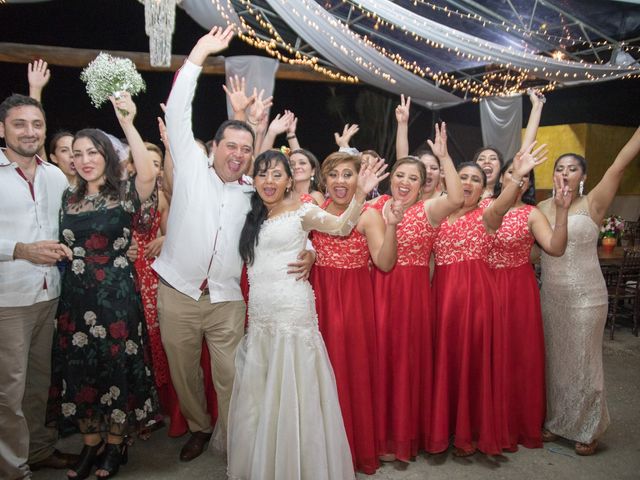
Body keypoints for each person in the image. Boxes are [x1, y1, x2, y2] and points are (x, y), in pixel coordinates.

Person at [152, 26, 314, 462]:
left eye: (247, 148)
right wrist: (198, 56)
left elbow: (294, 219)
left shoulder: (253, 191)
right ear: (214, 147)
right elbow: (180, 111)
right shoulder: (190, 169)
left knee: (231, 374)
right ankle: (200, 427)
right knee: (185, 373)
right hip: (178, 293)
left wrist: (311, 251)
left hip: (226, 300)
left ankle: (236, 436)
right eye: (232, 145)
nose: (239, 154)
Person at [228, 149, 386, 480]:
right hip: (261, 314)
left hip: (292, 311)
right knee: (262, 390)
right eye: (262, 174)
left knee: (295, 389)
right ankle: (265, 462)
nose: (268, 181)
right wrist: (311, 253)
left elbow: (342, 228)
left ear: (290, 181)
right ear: (253, 179)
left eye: (276, 174)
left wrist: (360, 194)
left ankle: (299, 464)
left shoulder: (304, 210)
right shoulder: (254, 214)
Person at [46, 94, 160, 480]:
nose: (85, 159)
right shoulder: (66, 197)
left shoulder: (123, 193)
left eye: (93, 151)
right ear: (71, 160)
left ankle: (115, 445)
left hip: (116, 300)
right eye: (77, 153)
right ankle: (90, 445)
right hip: (75, 299)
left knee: (116, 371)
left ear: (107, 156)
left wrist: (128, 122)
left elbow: (148, 175)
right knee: (81, 372)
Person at [427, 144, 547, 457]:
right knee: (446, 362)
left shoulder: (488, 215)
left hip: (476, 301)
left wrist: (517, 178)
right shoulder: (437, 216)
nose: (467, 182)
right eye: (462, 176)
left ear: (483, 188)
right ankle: (448, 427)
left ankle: (472, 432)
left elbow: (505, 203)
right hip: (442, 300)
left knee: (473, 364)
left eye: (474, 179)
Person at [537, 126, 640, 455]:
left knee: (584, 361)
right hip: (551, 295)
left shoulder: (593, 201)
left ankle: (588, 427)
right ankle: (557, 420)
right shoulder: (540, 208)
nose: (565, 173)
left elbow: (619, 165)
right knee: (555, 359)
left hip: (586, 297)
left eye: (572, 168)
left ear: (583, 175)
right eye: (559, 168)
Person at [369, 123, 463, 462]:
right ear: (390, 178)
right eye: (400, 176)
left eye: (413, 178)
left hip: (414, 296)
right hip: (379, 292)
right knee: (382, 362)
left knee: (409, 364)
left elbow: (456, 197)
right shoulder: (376, 206)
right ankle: (381, 436)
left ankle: (407, 436)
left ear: (423, 183)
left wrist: (444, 156)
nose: (405, 182)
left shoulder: (428, 209)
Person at [309, 151, 401, 474]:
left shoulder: (368, 216)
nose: (340, 181)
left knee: (352, 374)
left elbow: (385, 263)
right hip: (318, 303)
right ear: (324, 180)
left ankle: (352, 450)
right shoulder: (314, 213)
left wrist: (391, 228)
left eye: (347, 174)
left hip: (354, 307)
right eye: (333, 175)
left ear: (358, 178)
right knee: (320, 376)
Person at [0, 93, 76, 479]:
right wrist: (20, 250)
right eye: (19, 124)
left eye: (36, 124)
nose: (29, 132)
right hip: (8, 300)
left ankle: (40, 450)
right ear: (2, 130)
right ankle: (13, 469)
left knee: (38, 383)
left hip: (50, 295)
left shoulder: (55, 175)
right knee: (8, 391)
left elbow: (72, 226)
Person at [487, 158, 570, 451]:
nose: (517, 180)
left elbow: (556, 248)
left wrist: (561, 212)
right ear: (501, 178)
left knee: (518, 356)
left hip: (519, 290)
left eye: (523, 177)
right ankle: (482, 422)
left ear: (529, 184)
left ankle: (517, 422)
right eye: (511, 173)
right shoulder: (486, 207)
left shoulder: (531, 214)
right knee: (485, 355)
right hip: (484, 287)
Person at [475, 90, 545, 199]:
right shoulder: (464, 195)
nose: (487, 161)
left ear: (501, 173)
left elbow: (525, 151)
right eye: (481, 159)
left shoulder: (507, 196)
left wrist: (537, 106)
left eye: (493, 158)